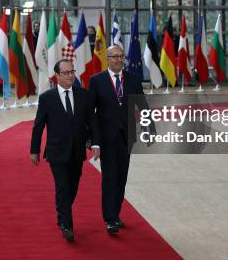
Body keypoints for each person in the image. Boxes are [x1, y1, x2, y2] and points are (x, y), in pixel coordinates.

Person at [30, 59, 100, 242]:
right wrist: (34, 150)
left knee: (73, 187)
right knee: (62, 186)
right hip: (56, 152)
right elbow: (38, 126)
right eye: (66, 73)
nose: (70, 76)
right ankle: (67, 225)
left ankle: (62, 214)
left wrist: (95, 143)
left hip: (77, 151)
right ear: (57, 76)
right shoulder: (47, 98)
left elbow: (92, 122)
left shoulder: (83, 95)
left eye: (72, 72)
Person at [88, 44, 149, 235]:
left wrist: (148, 129)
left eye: (121, 56)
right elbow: (90, 113)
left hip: (126, 137)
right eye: (115, 57)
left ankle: (116, 213)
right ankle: (110, 218)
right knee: (109, 178)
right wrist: (93, 140)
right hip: (106, 138)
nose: (119, 60)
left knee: (121, 178)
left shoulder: (133, 79)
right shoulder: (96, 81)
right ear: (107, 59)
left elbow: (143, 105)